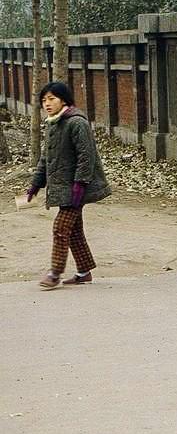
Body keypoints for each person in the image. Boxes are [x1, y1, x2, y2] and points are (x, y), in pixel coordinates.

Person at [27, 82, 112, 289]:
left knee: (60, 228)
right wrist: (36, 185)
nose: (47, 104)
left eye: (52, 99)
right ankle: (83, 272)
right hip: (65, 187)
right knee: (73, 230)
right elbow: (46, 159)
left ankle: (54, 273)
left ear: (63, 100)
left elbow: (86, 156)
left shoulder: (76, 123)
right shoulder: (53, 124)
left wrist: (80, 184)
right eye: (44, 100)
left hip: (77, 188)